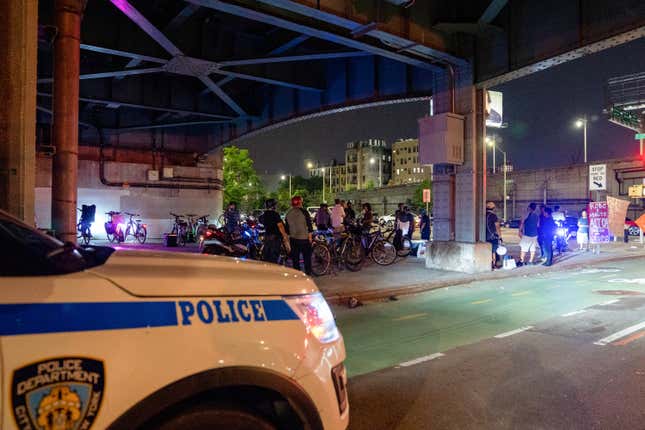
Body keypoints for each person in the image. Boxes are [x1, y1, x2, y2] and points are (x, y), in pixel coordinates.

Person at [285, 196, 314, 275]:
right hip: (304, 239)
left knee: (295, 259)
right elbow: (309, 225)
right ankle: (308, 274)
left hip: (293, 239)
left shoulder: (288, 213)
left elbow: (287, 229)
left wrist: (287, 241)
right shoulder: (304, 212)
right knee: (307, 258)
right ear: (300, 202)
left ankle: (297, 274)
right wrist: (310, 237)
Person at [259, 198, 290, 263]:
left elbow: (261, 222)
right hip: (275, 238)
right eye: (275, 205)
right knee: (274, 256)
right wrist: (285, 235)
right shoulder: (274, 214)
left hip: (267, 236)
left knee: (267, 255)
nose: (276, 206)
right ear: (273, 205)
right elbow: (280, 226)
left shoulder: (264, 214)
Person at [486, 201, 502, 270]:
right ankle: (493, 264)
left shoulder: (483, 214)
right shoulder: (493, 215)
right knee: (493, 251)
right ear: (493, 208)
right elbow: (497, 226)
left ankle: (488, 263)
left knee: (488, 251)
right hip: (492, 236)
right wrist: (500, 236)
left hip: (484, 236)